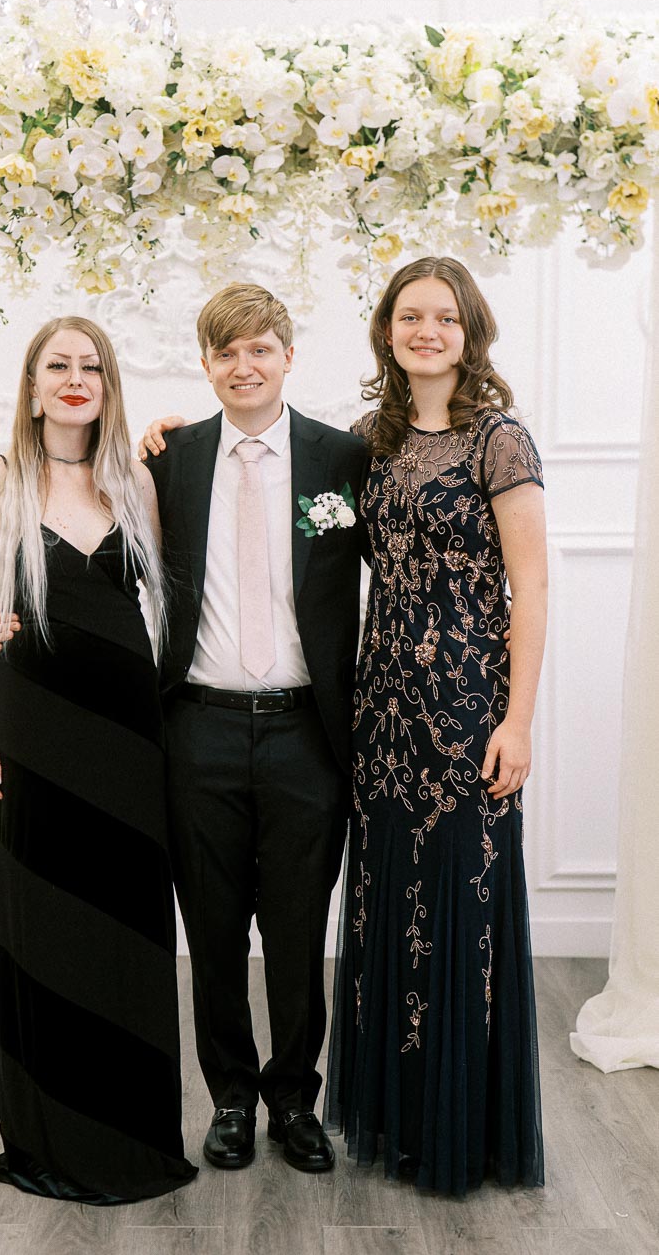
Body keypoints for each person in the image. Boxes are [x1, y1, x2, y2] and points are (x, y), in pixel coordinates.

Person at [0, 316, 197, 1204]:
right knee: (44, 928)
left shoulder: (134, 477)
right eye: (57, 365)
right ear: (31, 384)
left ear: (108, 384)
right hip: (35, 736)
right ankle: (50, 1132)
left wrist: (168, 433)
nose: (73, 378)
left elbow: (158, 600)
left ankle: (132, 1132)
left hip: (129, 741)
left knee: (127, 928)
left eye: (90, 366)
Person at [324, 257, 547, 1195]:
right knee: (388, 905)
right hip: (382, 715)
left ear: (469, 332)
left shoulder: (499, 440)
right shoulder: (361, 444)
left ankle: (465, 1131)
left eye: (444, 318)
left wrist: (519, 721)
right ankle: (402, 1118)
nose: (426, 331)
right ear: (386, 332)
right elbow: (296, 524)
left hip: (467, 711)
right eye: (409, 316)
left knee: (460, 910)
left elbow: (530, 585)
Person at [139, 283, 370, 1173]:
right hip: (196, 727)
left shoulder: (343, 458)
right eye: (226, 352)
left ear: (287, 355)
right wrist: (6, 609)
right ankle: (231, 1096)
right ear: (206, 364)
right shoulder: (169, 458)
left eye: (260, 349)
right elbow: (91, 536)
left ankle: (293, 1101)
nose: (244, 366)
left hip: (307, 734)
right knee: (214, 927)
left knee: (298, 927)